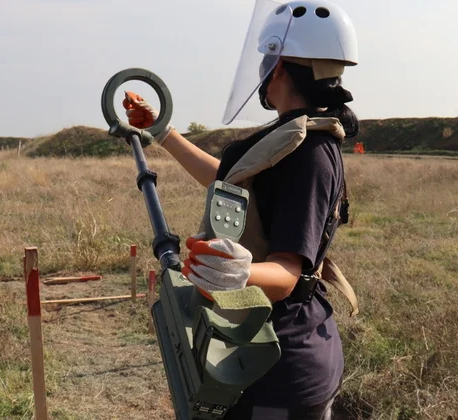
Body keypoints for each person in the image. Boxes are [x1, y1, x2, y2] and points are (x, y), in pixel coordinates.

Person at [123, 1, 359, 418]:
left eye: (268, 58)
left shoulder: (310, 153)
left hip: (277, 368)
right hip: (264, 353)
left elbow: (286, 275)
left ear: (281, 65)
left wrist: (239, 271)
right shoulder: (291, 135)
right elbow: (232, 183)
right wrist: (162, 131)